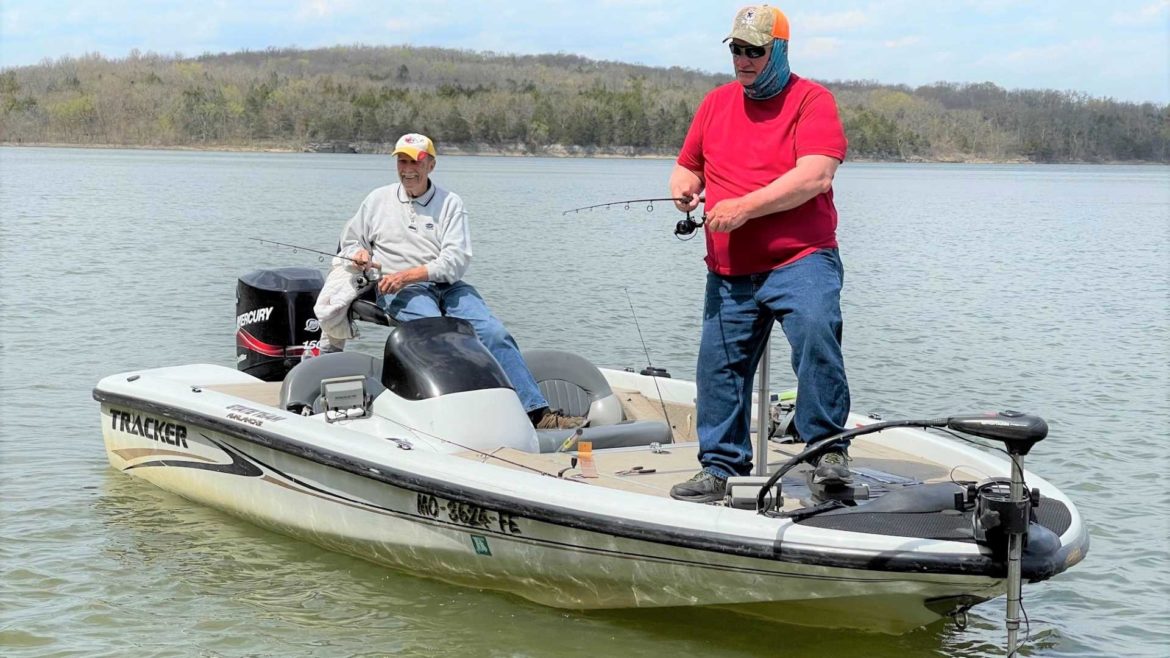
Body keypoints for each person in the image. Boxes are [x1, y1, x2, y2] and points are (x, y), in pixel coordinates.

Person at [667, 5, 852, 503]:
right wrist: (685, 186)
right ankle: (722, 466)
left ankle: (827, 453)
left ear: (780, 51)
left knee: (816, 332)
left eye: (755, 51)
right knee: (717, 367)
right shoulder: (715, 104)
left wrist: (745, 208)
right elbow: (689, 166)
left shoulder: (812, 101)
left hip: (802, 258)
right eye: (737, 50)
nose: (744, 60)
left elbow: (816, 175)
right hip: (729, 269)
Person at [336, 132, 584, 430]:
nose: (408, 169)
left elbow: (455, 261)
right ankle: (457, 418)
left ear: (431, 165)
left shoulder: (450, 203)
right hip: (398, 288)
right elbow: (348, 244)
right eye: (402, 161)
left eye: (416, 162)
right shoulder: (376, 200)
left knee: (493, 333)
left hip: (447, 286)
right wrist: (359, 254)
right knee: (438, 336)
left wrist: (410, 274)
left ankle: (536, 412)